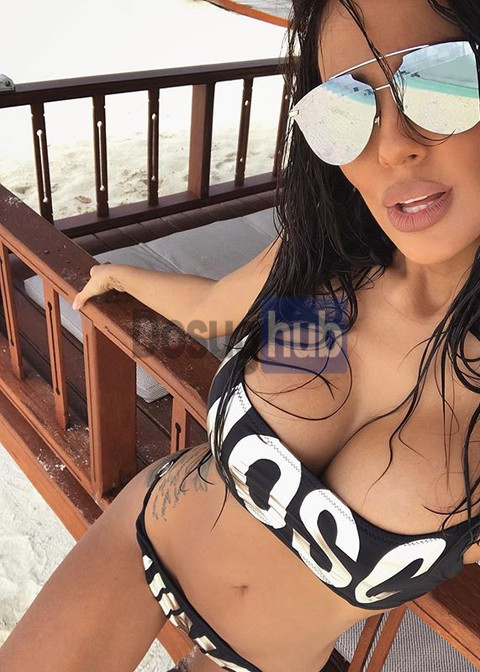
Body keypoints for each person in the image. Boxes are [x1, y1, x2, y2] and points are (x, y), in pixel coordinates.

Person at [2, 1, 480, 671]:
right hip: (145, 537)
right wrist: (121, 276)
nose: (391, 144)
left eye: (441, 80)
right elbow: (216, 310)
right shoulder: (330, 277)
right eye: (344, 107)